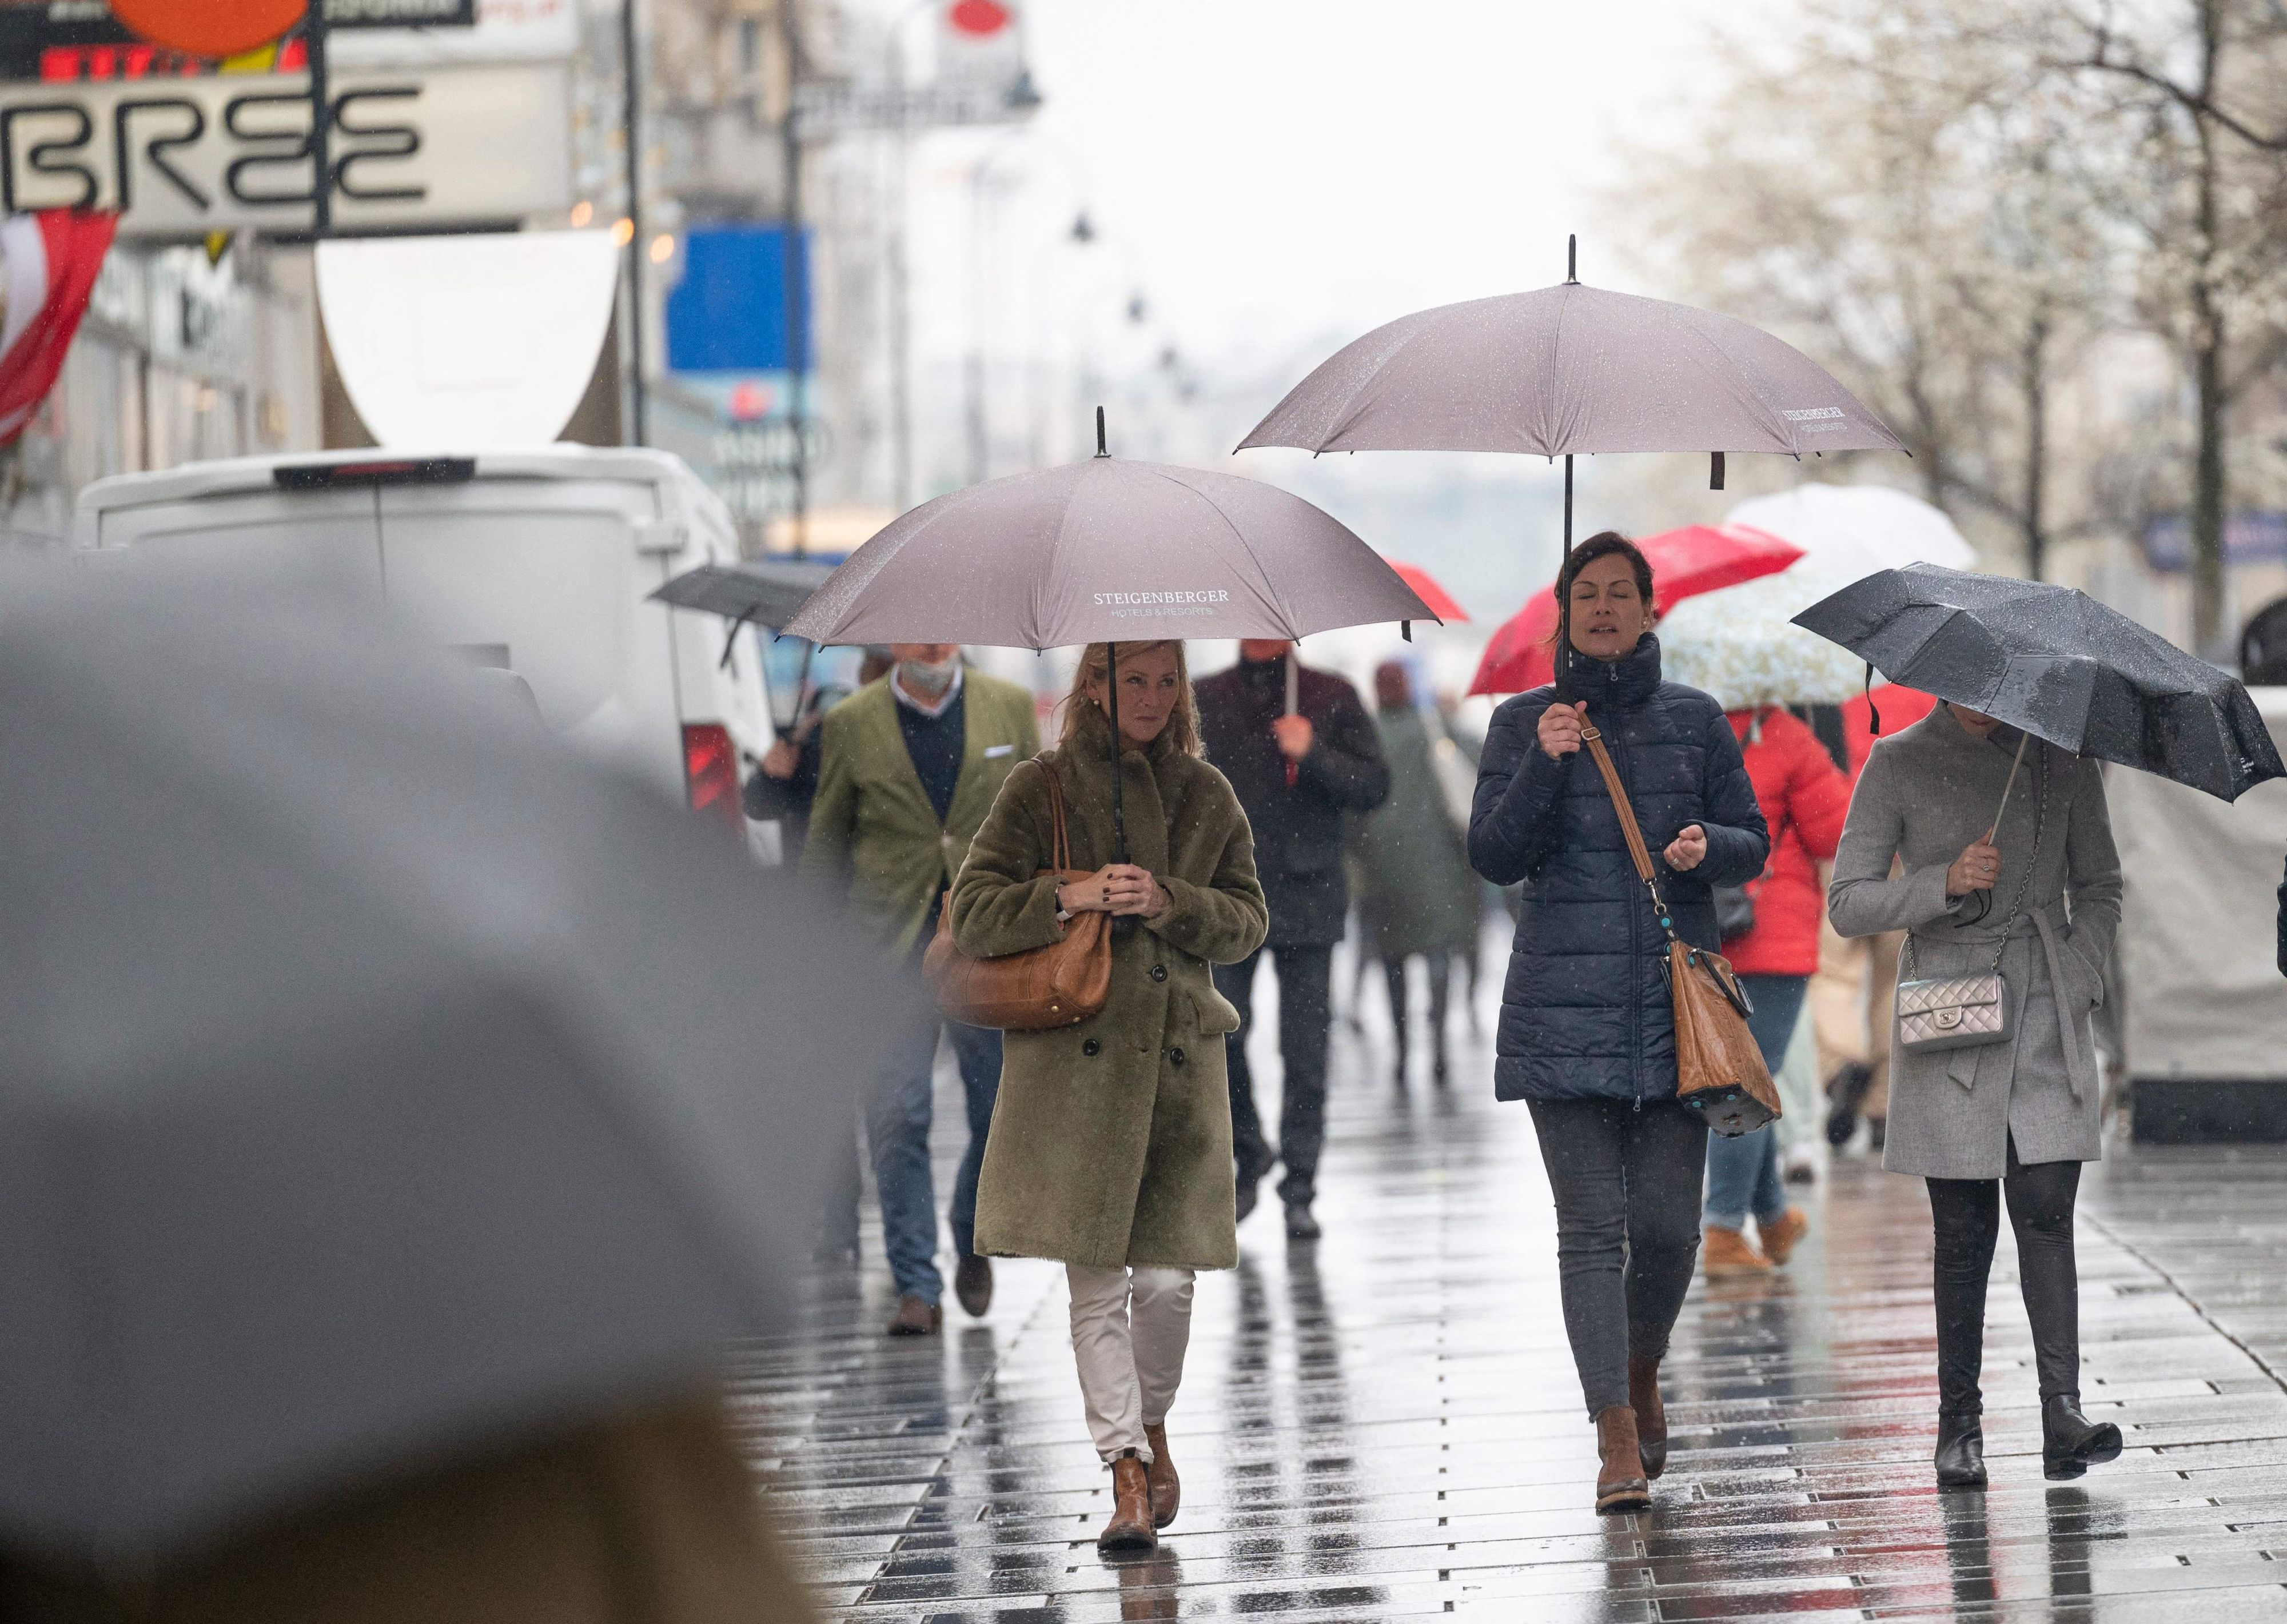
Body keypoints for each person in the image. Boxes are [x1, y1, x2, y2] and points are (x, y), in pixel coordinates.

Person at [1467, 532, 1768, 1515]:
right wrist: (1545, 765)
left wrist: (1704, 846)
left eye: (1619, 594)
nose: (1601, 608)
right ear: (1565, 613)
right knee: (1591, 1231)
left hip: (1675, 1016)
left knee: (1671, 1231)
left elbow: (1752, 843)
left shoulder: (1697, 719)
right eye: (1584, 594)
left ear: (1649, 610)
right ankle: (1612, 1432)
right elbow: (1496, 857)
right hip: (1563, 1010)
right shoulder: (1525, 723)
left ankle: (1641, 1368)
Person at [952, 640, 1268, 1553]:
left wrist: (1170, 899)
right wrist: (1074, 892)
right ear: (1094, 685)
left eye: (1168, 681)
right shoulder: (1040, 787)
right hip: (1074, 1074)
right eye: (1134, 679)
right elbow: (973, 908)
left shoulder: (1208, 794)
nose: (1154, 696)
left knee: (1168, 1283)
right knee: (1094, 1286)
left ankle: (1152, 1423)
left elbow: (1249, 919)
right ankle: (1127, 1467)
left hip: (1175, 1072)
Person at [1828, 698, 2124, 1487]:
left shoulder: (2062, 756)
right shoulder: (1895, 761)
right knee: (1962, 1234)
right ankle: (1958, 1425)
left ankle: (2062, 1413)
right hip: (1951, 1017)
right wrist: (1940, 883)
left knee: (2048, 1209)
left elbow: (2101, 884)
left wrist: (2083, 972)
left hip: (2046, 1009)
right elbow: (1848, 902)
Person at [801, 643, 1040, 1335]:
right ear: (891, 639)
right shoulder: (851, 723)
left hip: (985, 941)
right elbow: (828, 843)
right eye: (917, 629)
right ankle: (916, 1284)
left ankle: (970, 1232)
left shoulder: (1007, 706)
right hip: (889, 950)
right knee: (897, 1114)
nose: (933, 641)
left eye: (945, 627)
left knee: (1000, 1111)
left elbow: (1039, 822)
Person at [1195, 640, 1389, 1236]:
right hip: (1228, 895)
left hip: (1308, 896)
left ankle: (1300, 1184)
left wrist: (1314, 754)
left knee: (1305, 1049)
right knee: (1221, 1035)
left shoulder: (1330, 695)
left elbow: (1374, 786)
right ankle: (1249, 1152)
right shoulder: (1205, 699)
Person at [1702, 705, 1850, 1275]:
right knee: (1746, 1086)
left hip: (1706, 929)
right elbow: (1831, 833)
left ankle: (1771, 1220)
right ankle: (1721, 1232)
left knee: (1743, 1076)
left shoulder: (1685, 731)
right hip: (1773, 930)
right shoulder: (1786, 737)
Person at [1814, 684, 1939, 1151]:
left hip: (1844, 837)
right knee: (1897, 977)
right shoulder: (1930, 693)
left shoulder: (1835, 688)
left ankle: (1843, 1065)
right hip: (1908, 847)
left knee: (1832, 972)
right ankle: (1884, 1103)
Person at [1352, 660, 1481, 1087]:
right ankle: (1438, 1047)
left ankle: (1405, 1050)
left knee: (1395, 967)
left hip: (1386, 870)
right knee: (1438, 959)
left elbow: (1353, 812)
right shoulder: (1434, 728)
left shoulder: (1365, 735)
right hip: (1436, 868)